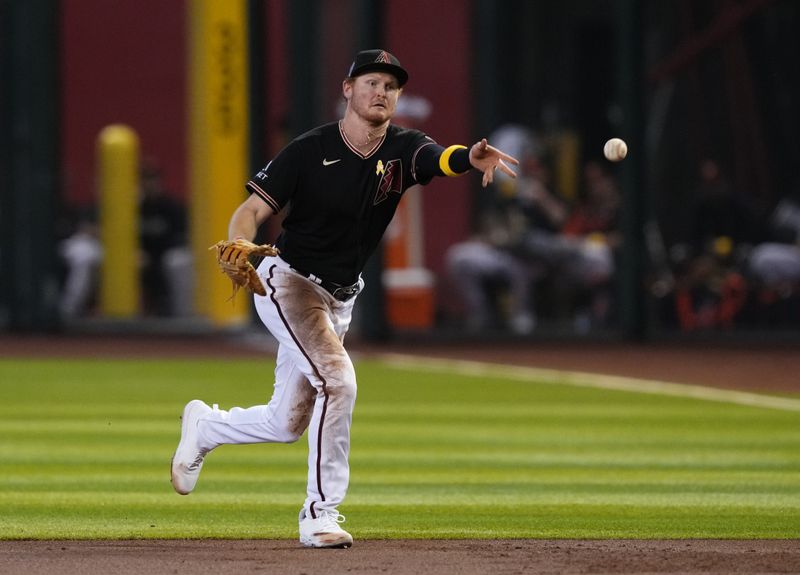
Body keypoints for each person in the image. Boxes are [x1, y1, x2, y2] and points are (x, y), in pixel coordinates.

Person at [169, 49, 519, 548]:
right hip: (290, 282)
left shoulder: (402, 147)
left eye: (390, 86)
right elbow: (251, 210)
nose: (381, 92)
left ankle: (207, 427)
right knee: (340, 382)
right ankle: (320, 514)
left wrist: (469, 158)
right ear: (348, 89)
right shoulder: (309, 150)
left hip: (341, 297)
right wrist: (240, 246)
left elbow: (437, 159)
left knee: (287, 421)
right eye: (372, 82)